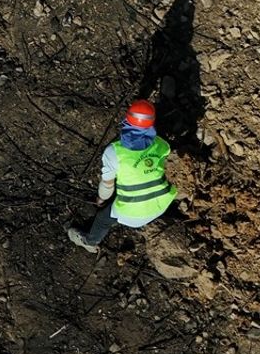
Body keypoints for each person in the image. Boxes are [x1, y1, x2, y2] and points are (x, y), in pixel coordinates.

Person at [68, 100, 179, 253]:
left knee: (102, 220)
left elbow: (107, 186)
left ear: (127, 120)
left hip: (133, 214)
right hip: (163, 203)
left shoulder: (114, 152)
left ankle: (89, 241)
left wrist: (101, 199)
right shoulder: (162, 145)